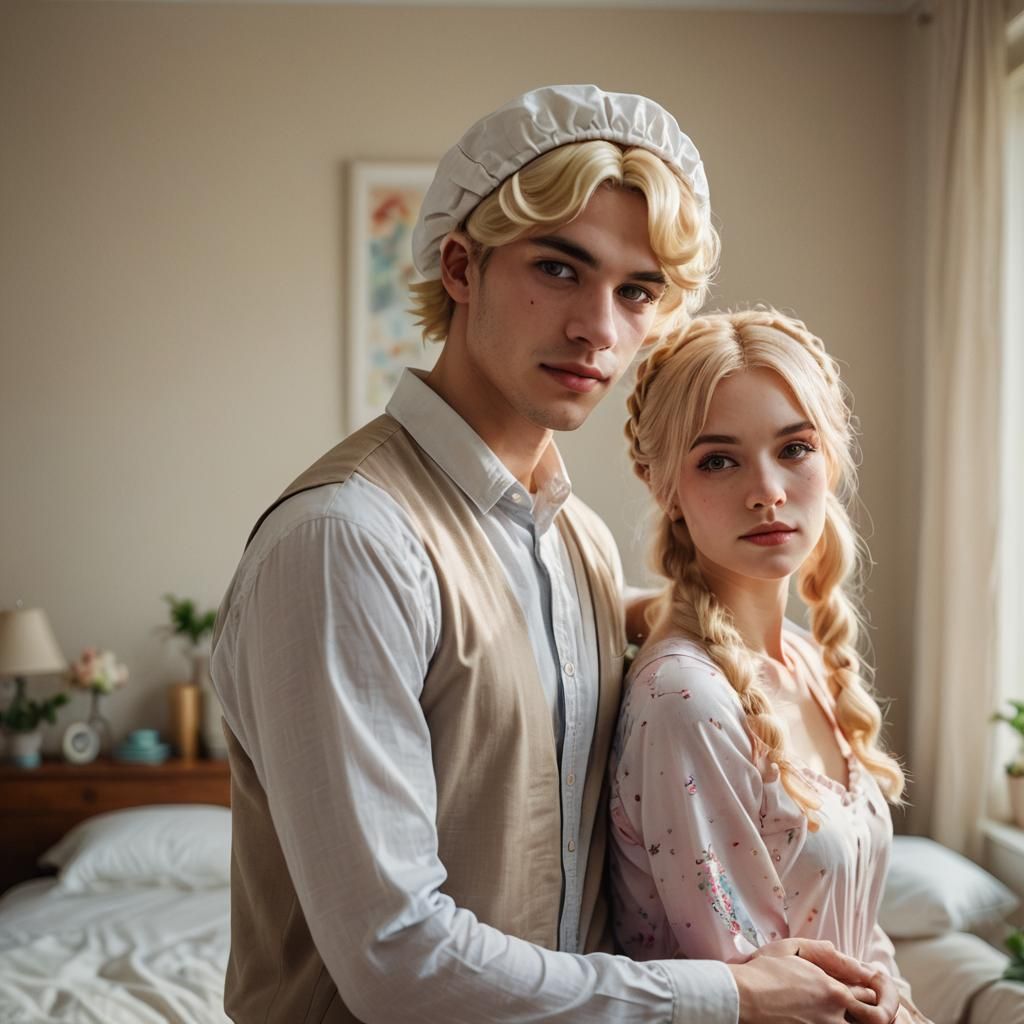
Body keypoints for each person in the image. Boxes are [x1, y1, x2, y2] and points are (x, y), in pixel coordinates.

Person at [211, 86, 900, 1024]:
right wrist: (727, 994)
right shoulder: (348, 541)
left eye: (637, 292)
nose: (600, 330)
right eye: (560, 269)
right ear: (460, 266)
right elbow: (394, 958)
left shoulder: (574, 540)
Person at [612, 308, 929, 1022]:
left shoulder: (814, 666)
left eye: (794, 448)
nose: (767, 491)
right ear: (664, 485)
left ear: (832, 456)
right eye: (718, 460)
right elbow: (750, 989)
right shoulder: (686, 700)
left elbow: (858, 934)